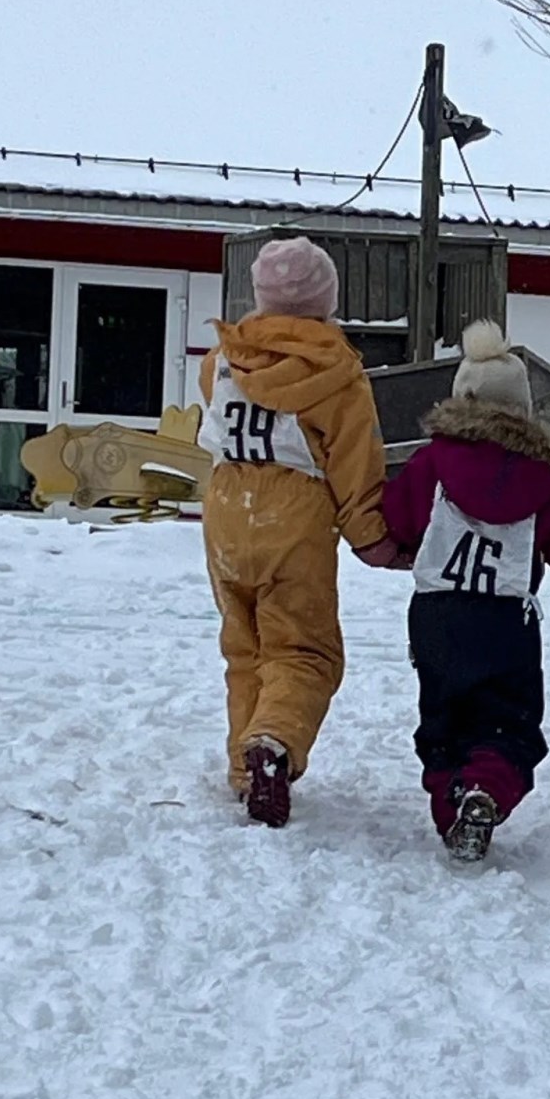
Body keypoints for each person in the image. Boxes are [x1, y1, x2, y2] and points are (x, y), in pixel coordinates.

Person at [383, 321, 550, 863]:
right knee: (509, 721)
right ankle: (486, 786)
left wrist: (397, 546)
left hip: (437, 615)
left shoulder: (432, 463)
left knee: (443, 720)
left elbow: (398, 516)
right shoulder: (543, 479)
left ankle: (451, 805)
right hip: (506, 623)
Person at [199, 237, 400, 828]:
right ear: (326, 300)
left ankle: (245, 767)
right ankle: (274, 741)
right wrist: (370, 535)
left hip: (226, 508)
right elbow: (355, 461)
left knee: (244, 646)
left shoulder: (222, 359)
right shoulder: (337, 372)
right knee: (304, 651)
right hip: (294, 516)